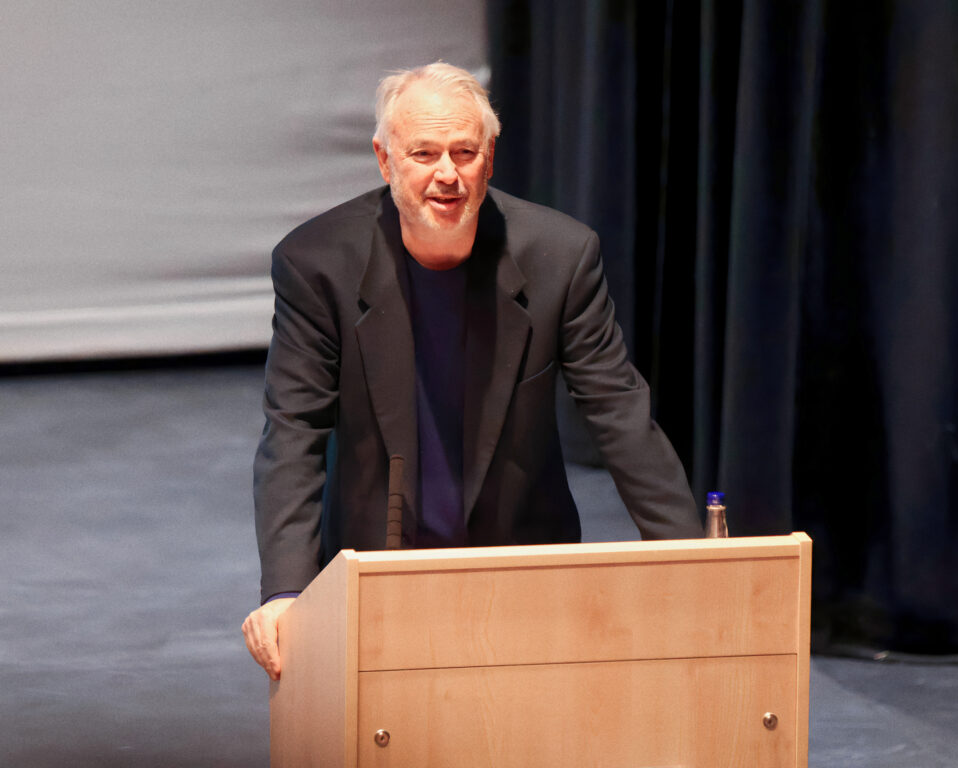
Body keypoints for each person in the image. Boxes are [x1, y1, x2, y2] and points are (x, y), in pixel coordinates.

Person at [242, 62, 702, 679]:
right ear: (384, 160)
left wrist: (694, 563)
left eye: (464, 151)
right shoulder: (315, 263)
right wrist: (286, 594)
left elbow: (617, 407)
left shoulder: (560, 256)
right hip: (377, 561)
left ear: (489, 157)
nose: (446, 175)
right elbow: (294, 430)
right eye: (423, 153)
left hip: (523, 558)